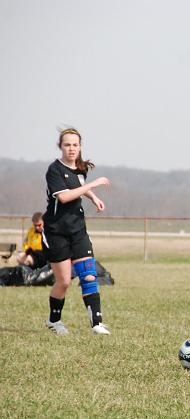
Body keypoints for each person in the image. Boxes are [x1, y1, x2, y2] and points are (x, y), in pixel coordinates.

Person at [43, 128, 111, 335]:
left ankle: (97, 323)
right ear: (60, 146)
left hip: (78, 231)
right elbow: (64, 197)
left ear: (80, 146)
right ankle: (53, 321)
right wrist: (95, 185)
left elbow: (78, 184)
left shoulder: (80, 169)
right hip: (56, 231)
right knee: (63, 282)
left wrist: (93, 197)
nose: (71, 148)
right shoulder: (54, 170)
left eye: (75, 144)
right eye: (67, 145)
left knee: (89, 276)